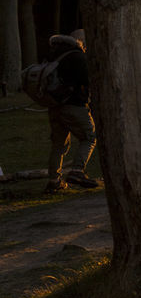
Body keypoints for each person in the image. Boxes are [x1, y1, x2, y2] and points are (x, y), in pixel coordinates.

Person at [46, 32, 98, 193]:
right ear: (80, 42)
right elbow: (88, 80)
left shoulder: (52, 56)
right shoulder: (77, 57)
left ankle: (54, 182)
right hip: (74, 105)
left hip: (54, 107)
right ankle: (77, 171)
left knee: (59, 145)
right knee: (89, 137)